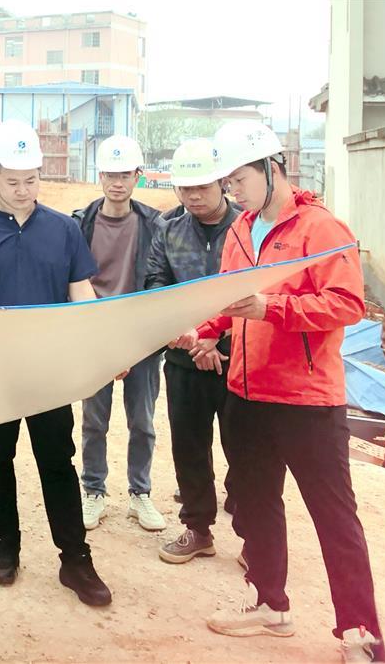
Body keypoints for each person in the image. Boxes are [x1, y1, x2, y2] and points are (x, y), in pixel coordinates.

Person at [178, 122, 385, 662]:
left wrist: (272, 308)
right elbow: (229, 301)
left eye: (240, 179)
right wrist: (204, 332)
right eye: (227, 182)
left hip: (307, 401)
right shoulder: (240, 230)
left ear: (273, 168)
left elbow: (347, 304)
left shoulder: (322, 229)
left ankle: (360, 632)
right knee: (256, 504)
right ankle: (270, 605)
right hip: (247, 395)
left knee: (333, 516)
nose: (233, 191)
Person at [0, 120, 112, 606]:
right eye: (13, 181)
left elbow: (82, 295)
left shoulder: (63, 230)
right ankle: (6, 546)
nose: (24, 190)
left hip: (48, 373)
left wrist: (99, 349)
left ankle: (75, 559)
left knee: (57, 461)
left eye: (32, 180)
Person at [146, 138, 245, 565]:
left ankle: (254, 536)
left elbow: (256, 288)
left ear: (222, 182)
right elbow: (156, 284)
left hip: (239, 358)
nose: (193, 196)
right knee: (188, 446)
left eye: (202, 186)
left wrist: (216, 338)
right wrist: (189, 335)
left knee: (246, 449)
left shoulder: (247, 227)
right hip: (184, 357)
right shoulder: (168, 230)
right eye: (185, 188)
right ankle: (198, 529)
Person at [70, 135, 165, 532]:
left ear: (137, 176)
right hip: (95, 336)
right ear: (100, 176)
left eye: (125, 175)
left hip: (140, 337)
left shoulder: (154, 224)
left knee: (142, 421)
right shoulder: (80, 223)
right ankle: (93, 491)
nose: (117, 182)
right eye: (110, 174)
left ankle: (139, 493)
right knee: (94, 420)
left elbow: (160, 279)